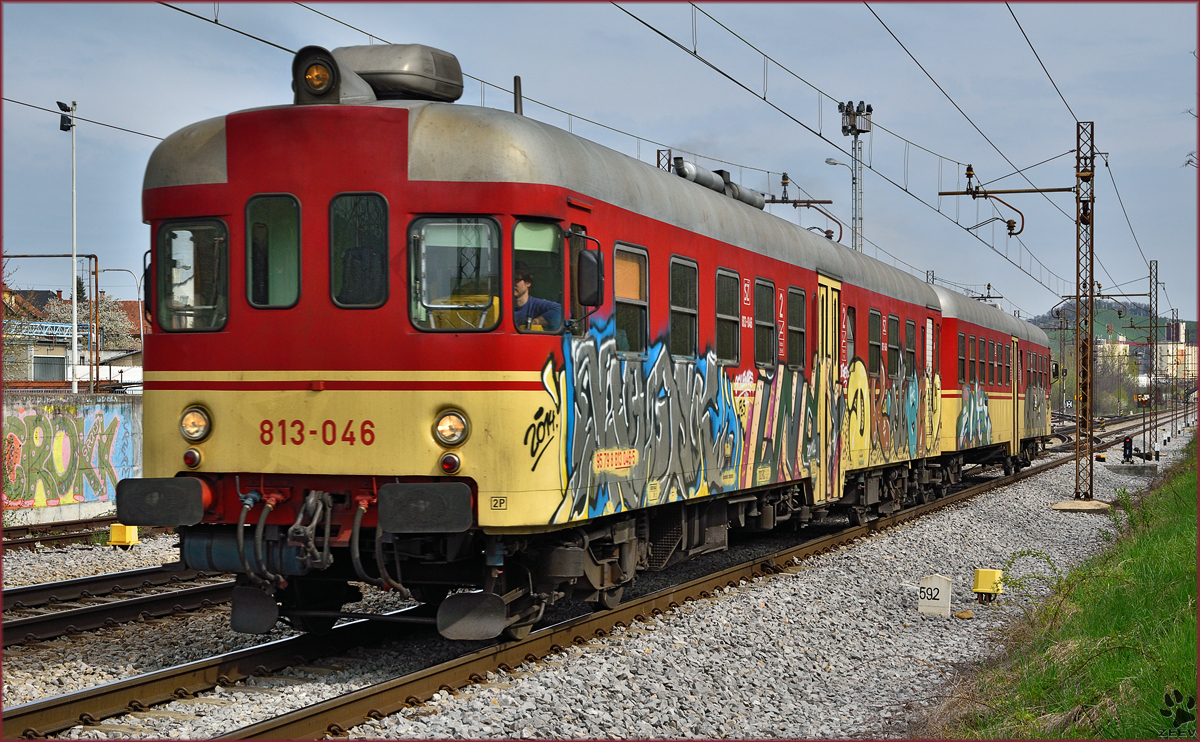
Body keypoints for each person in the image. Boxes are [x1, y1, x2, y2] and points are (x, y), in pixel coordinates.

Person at [512, 261, 562, 330]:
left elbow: (560, 310)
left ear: (528, 283)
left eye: (516, 280)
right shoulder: (501, 308)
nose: (511, 283)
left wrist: (535, 322)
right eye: (509, 279)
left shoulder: (536, 305)